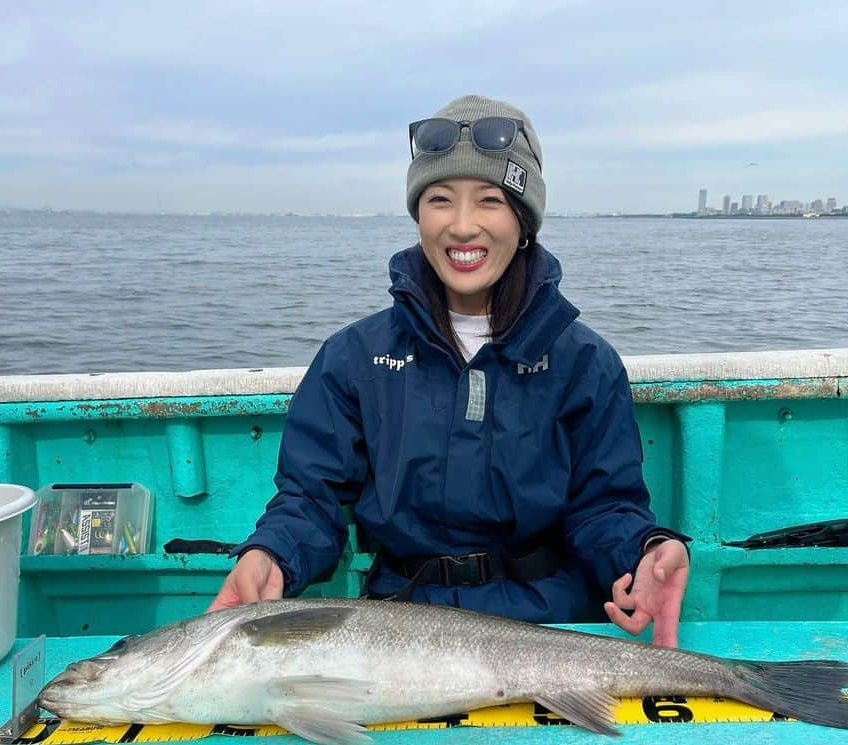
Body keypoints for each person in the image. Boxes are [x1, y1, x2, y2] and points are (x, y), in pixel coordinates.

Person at [208, 95, 691, 647]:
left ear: (523, 219)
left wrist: (645, 550)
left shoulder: (584, 361)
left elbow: (606, 505)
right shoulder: (353, 357)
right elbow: (308, 498)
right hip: (402, 622)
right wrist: (272, 553)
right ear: (418, 214)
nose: (463, 227)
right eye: (439, 199)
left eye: (489, 200)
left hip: (551, 623)